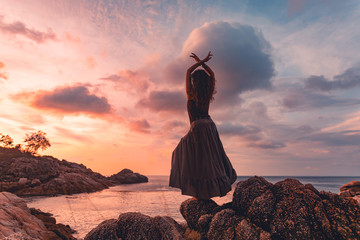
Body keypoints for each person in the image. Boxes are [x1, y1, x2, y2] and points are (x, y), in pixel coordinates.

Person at [169, 51, 237, 199]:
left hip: (198, 127)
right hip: (209, 126)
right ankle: (203, 192)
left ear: (194, 82)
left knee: (189, 157)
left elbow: (188, 71)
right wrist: (203, 61)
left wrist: (199, 62)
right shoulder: (207, 93)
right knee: (209, 160)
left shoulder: (190, 94)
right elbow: (212, 75)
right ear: (205, 83)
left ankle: (198, 193)